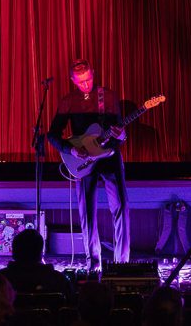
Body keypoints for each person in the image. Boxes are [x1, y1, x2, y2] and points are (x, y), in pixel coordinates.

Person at [47, 58, 130, 271]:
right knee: (87, 213)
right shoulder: (68, 101)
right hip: (83, 160)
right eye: (80, 82)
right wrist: (70, 149)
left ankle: (122, 263)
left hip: (109, 156)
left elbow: (120, 131)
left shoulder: (108, 97)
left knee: (121, 207)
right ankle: (93, 263)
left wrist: (121, 136)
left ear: (93, 73)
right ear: (73, 81)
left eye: (88, 79)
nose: (86, 85)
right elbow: (53, 135)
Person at [0, 229, 71, 296]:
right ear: (40, 253)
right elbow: (72, 304)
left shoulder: (0, 280)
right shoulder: (58, 279)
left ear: (14, 253)